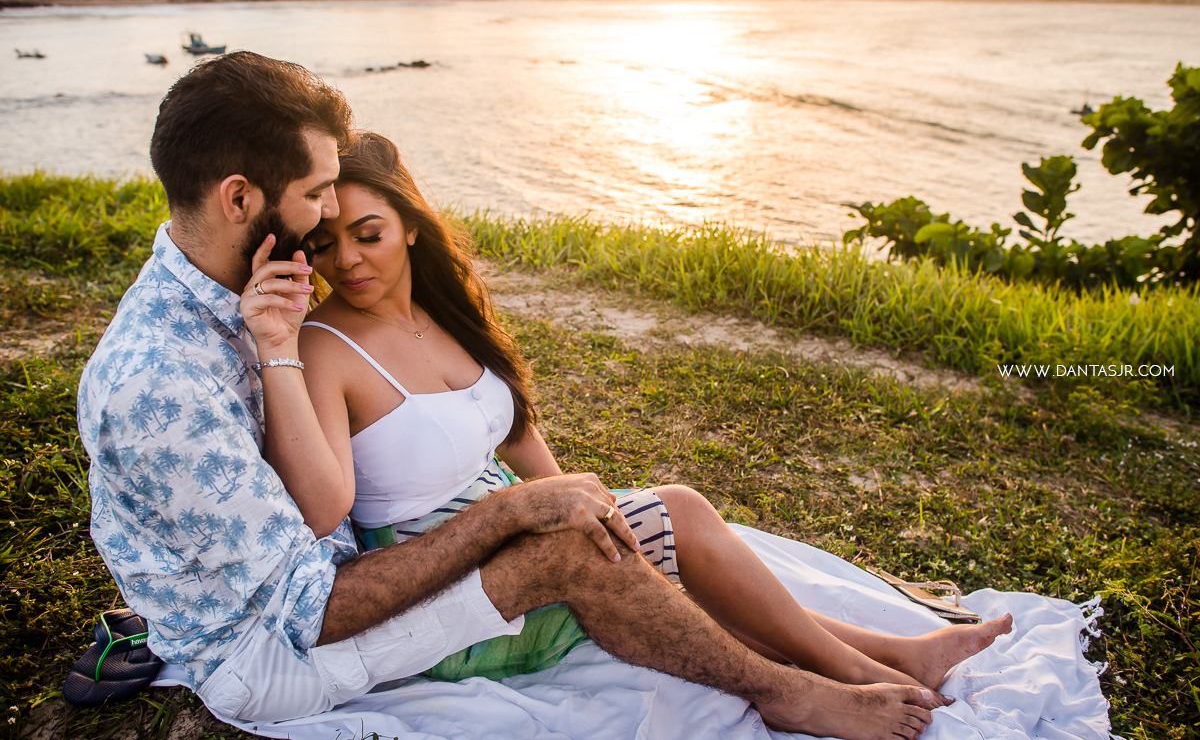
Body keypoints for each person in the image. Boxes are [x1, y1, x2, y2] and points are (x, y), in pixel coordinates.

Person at [78, 51, 958, 740]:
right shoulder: (163, 379)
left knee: (629, 524)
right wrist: (509, 515)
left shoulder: (250, 290)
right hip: (271, 655)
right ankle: (789, 695)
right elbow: (312, 600)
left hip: (321, 569)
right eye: (313, 197)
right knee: (568, 550)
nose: (323, 228)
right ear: (240, 198)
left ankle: (858, 657)